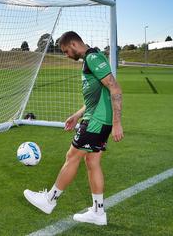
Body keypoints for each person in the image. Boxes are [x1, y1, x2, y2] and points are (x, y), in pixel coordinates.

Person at [23, 31, 123, 226]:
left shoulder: (93, 58)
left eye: (66, 51)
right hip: (97, 119)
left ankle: (49, 200)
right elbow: (96, 96)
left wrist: (118, 123)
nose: (66, 55)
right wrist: (77, 114)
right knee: (92, 162)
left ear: (74, 44)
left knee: (72, 157)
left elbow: (115, 88)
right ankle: (98, 212)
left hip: (96, 121)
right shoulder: (90, 59)